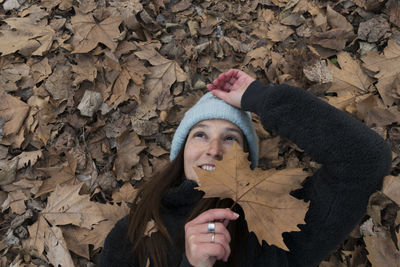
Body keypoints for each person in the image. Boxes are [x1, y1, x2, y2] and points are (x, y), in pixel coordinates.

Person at [99, 69, 392, 267]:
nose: (213, 149)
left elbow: (364, 160)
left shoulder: (279, 224)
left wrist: (260, 98)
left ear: (246, 159)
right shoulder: (132, 234)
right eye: (200, 134)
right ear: (182, 151)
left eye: (230, 138)